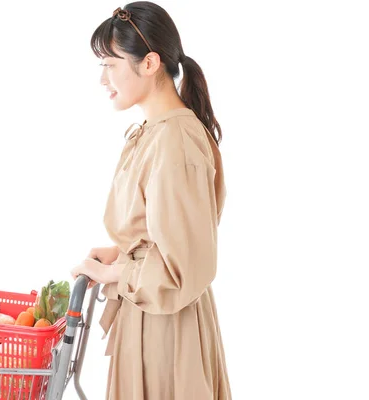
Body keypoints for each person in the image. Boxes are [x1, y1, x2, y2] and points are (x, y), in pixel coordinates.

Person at [70, 2, 232, 399]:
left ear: (150, 63)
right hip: (150, 317)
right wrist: (121, 253)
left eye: (111, 64)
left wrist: (115, 273)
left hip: (167, 330)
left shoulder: (175, 139)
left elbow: (184, 268)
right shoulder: (154, 132)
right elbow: (163, 236)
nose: (104, 79)